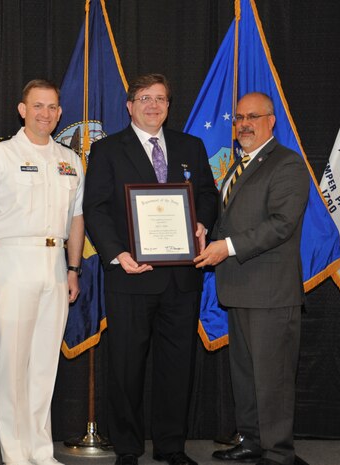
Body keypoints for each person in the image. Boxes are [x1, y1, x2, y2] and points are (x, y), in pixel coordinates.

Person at [83, 73, 217, 465]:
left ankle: (171, 447)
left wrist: (202, 223)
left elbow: (207, 195)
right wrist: (117, 253)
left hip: (181, 277)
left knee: (177, 367)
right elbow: (96, 208)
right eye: (145, 98)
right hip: (130, 275)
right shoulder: (108, 150)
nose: (153, 105)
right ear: (129, 106)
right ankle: (127, 448)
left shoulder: (190, 146)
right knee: (126, 367)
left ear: (168, 105)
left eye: (161, 98)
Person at [0, 79, 85, 465]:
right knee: (12, 363)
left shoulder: (71, 160)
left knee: (44, 364)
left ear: (60, 113)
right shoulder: (0, 155)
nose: (45, 114)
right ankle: (15, 453)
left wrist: (73, 269)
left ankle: (41, 452)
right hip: (11, 261)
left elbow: (76, 219)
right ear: (22, 109)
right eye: (37, 106)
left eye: (51, 107)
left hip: (54, 264)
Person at [195, 92, 310, 465]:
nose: (244, 123)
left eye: (253, 117)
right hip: (240, 288)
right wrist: (201, 236)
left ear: (271, 121)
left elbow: (281, 225)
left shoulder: (287, 164)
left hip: (272, 293)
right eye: (239, 117)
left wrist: (224, 247)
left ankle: (278, 453)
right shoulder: (238, 165)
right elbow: (231, 220)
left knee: (272, 380)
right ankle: (252, 441)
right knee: (246, 376)